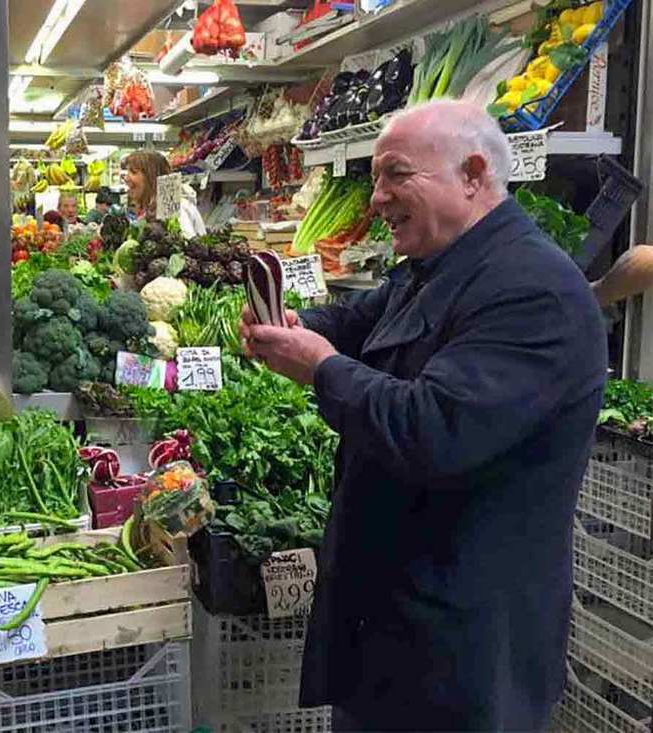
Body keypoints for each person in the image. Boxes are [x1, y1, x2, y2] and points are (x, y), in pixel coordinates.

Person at [239, 100, 606, 732]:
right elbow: (361, 323)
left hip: (463, 642)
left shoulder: (533, 290)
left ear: (471, 175)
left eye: (395, 175)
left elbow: (433, 429)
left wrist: (321, 367)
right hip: (395, 622)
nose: (377, 197)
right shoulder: (439, 264)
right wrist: (293, 329)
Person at [123, 149, 206, 238]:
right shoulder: (153, 208)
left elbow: (186, 247)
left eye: (133, 172)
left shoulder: (177, 209)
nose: (126, 178)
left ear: (151, 177)